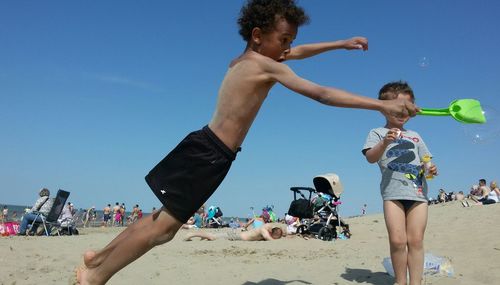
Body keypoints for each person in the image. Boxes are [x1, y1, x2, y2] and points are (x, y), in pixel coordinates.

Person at [76, 1, 418, 283]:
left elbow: (298, 52)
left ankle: (98, 258)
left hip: (207, 148)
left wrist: (340, 44)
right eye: (283, 40)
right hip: (209, 153)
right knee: (163, 228)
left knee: (161, 220)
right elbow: (323, 94)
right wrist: (382, 104)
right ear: (258, 36)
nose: (287, 49)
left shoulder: (246, 59)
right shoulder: (264, 66)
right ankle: (95, 276)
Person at [362, 81, 437, 285]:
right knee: (397, 241)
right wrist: (385, 142)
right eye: (397, 107)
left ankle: (416, 282)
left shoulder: (415, 136)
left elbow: (426, 162)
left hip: (418, 194)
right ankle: (400, 281)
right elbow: (370, 157)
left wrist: (430, 169)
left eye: (407, 107)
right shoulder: (377, 133)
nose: (402, 112)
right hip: (392, 194)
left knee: (416, 240)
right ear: (383, 108)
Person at [184, 223, 284, 241]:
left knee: (214, 237)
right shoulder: (264, 231)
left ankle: (202, 236)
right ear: (271, 233)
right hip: (237, 236)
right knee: (212, 237)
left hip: (238, 235)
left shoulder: (268, 227)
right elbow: (268, 238)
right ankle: (192, 234)